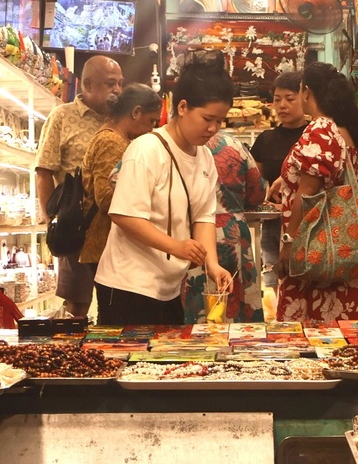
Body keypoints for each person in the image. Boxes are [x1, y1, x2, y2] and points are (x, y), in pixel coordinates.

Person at [94, 50, 233, 326]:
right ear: (182, 108)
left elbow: (203, 216)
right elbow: (124, 215)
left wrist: (212, 264)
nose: (213, 129)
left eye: (220, 121)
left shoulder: (204, 157)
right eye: (208, 119)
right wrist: (177, 247)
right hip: (127, 286)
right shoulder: (146, 149)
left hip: (168, 288)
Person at [274, 61, 358, 322]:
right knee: (342, 335)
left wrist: (289, 242)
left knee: (312, 333)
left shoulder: (320, 129)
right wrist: (285, 180)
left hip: (317, 252)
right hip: (344, 249)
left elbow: (307, 195)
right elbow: (327, 177)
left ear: (306, 92)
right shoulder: (343, 131)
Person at [36, 55, 124, 317]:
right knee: (77, 304)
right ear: (87, 84)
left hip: (118, 226)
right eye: (110, 83)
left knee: (115, 302)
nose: (117, 90)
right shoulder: (62, 117)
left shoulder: (123, 121)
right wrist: (53, 219)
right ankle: (75, 355)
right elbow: (44, 171)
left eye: (120, 83)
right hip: (77, 226)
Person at [183, 131, 267, 323]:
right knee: (234, 305)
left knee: (194, 306)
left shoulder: (177, 145)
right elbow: (257, 192)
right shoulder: (233, 144)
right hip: (231, 233)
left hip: (188, 233)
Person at [78, 84, 162, 268]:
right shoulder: (111, 141)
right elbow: (106, 198)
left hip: (108, 246)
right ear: (136, 112)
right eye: (151, 121)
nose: (151, 129)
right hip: (105, 245)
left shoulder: (118, 138)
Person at [250, 71, 308, 290]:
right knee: (275, 282)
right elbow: (256, 184)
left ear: (305, 98)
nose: (282, 105)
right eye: (277, 99)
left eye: (290, 99)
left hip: (306, 222)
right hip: (273, 224)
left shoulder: (312, 136)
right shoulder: (266, 139)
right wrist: (267, 201)